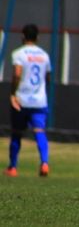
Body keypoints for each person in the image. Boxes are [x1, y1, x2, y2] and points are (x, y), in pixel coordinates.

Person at [4, 24, 51, 178]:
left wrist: (12, 93)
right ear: (37, 37)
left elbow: (17, 74)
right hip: (39, 101)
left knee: (17, 133)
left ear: (23, 36)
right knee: (39, 132)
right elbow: (47, 77)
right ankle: (44, 163)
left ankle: (13, 167)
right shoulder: (44, 55)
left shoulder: (19, 53)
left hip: (21, 100)